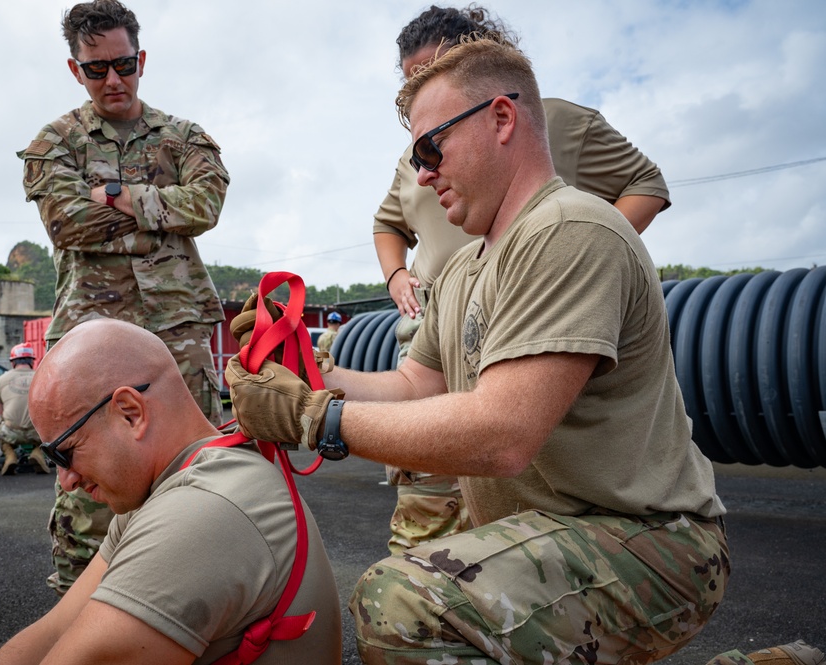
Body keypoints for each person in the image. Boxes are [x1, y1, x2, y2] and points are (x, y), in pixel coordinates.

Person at [227, 37, 731, 663]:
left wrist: (314, 418)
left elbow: (503, 433)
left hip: (651, 541)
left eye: (431, 147)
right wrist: (309, 371)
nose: (423, 173)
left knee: (405, 604)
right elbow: (414, 385)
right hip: (560, 532)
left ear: (501, 118)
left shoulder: (569, 230)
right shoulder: (467, 266)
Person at [373, 5, 673, 555]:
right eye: (408, 77)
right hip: (443, 324)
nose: (425, 169)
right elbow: (387, 224)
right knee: (430, 547)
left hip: (537, 322)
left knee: (413, 600)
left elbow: (645, 183)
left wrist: (589, 249)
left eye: (430, 69)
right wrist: (318, 385)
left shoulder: (558, 129)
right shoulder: (415, 162)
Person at [17, 0, 231, 594]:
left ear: (142, 59)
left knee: (197, 477)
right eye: (97, 68)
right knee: (89, 485)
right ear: (74, 69)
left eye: (125, 63)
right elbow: (67, 224)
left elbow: (206, 207)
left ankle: (196, 610)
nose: (114, 79)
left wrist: (114, 194)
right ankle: (82, 626)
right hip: (90, 338)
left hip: (179, 331)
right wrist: (159, 214)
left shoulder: (184, 136)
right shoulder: (54, 142)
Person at [0, 318, 342, 665]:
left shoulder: (201, 509)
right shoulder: (169, 486)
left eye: (64, 452)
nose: (66, 480)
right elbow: (55, 629)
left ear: (130, 413)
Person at [0, 343, 49, 475]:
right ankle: (38, 452)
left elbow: (0, 410)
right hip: (38, 433)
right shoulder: (43, 376)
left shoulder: (1, 379)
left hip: (11, 432)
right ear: (32, 361)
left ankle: (10, 455)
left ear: (13, 363)